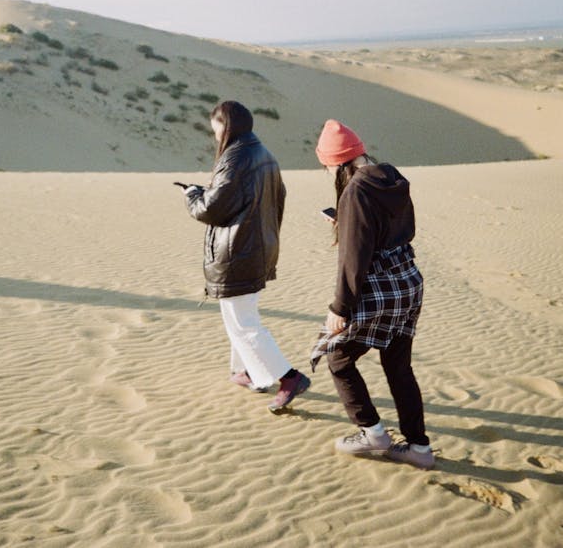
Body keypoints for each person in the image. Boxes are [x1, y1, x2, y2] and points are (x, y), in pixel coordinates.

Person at [310, 119, 435, 468]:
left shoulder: (355, 192)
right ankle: (419, 449)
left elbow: (354, 258)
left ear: (337, 162)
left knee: (337, 357)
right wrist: (346, 220)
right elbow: (391, 226)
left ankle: (372, 433)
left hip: (380, 287)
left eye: (328, 166)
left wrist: (340, 307)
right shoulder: (390, 176)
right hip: (409, 280)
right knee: (398, 365)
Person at [182, 100, 310, 413]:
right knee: (236, 317)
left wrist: (192, 196)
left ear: (227, 127)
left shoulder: (236, 157)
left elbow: (211, 209)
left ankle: (288, 377)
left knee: (243, 321)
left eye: (216, 130)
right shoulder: (263, 153)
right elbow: (275, 198)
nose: (215, 137)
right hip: (258, 246)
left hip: (238, 250)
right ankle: (252, 373)